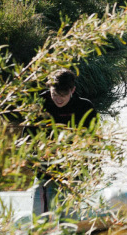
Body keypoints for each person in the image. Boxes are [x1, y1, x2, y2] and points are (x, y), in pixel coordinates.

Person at [38, 69, 96, 213]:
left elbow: (94, 141)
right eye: (55, 94)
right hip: (46, 169)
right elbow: (27, 138)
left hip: (74, 170)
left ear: (73, 90)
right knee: (40, 216)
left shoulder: (85, 107)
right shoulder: (39, 104)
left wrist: (94, 169)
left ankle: (69, 233)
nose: (58, 99)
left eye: (63, 95)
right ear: (49, 88)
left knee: (70, 214)